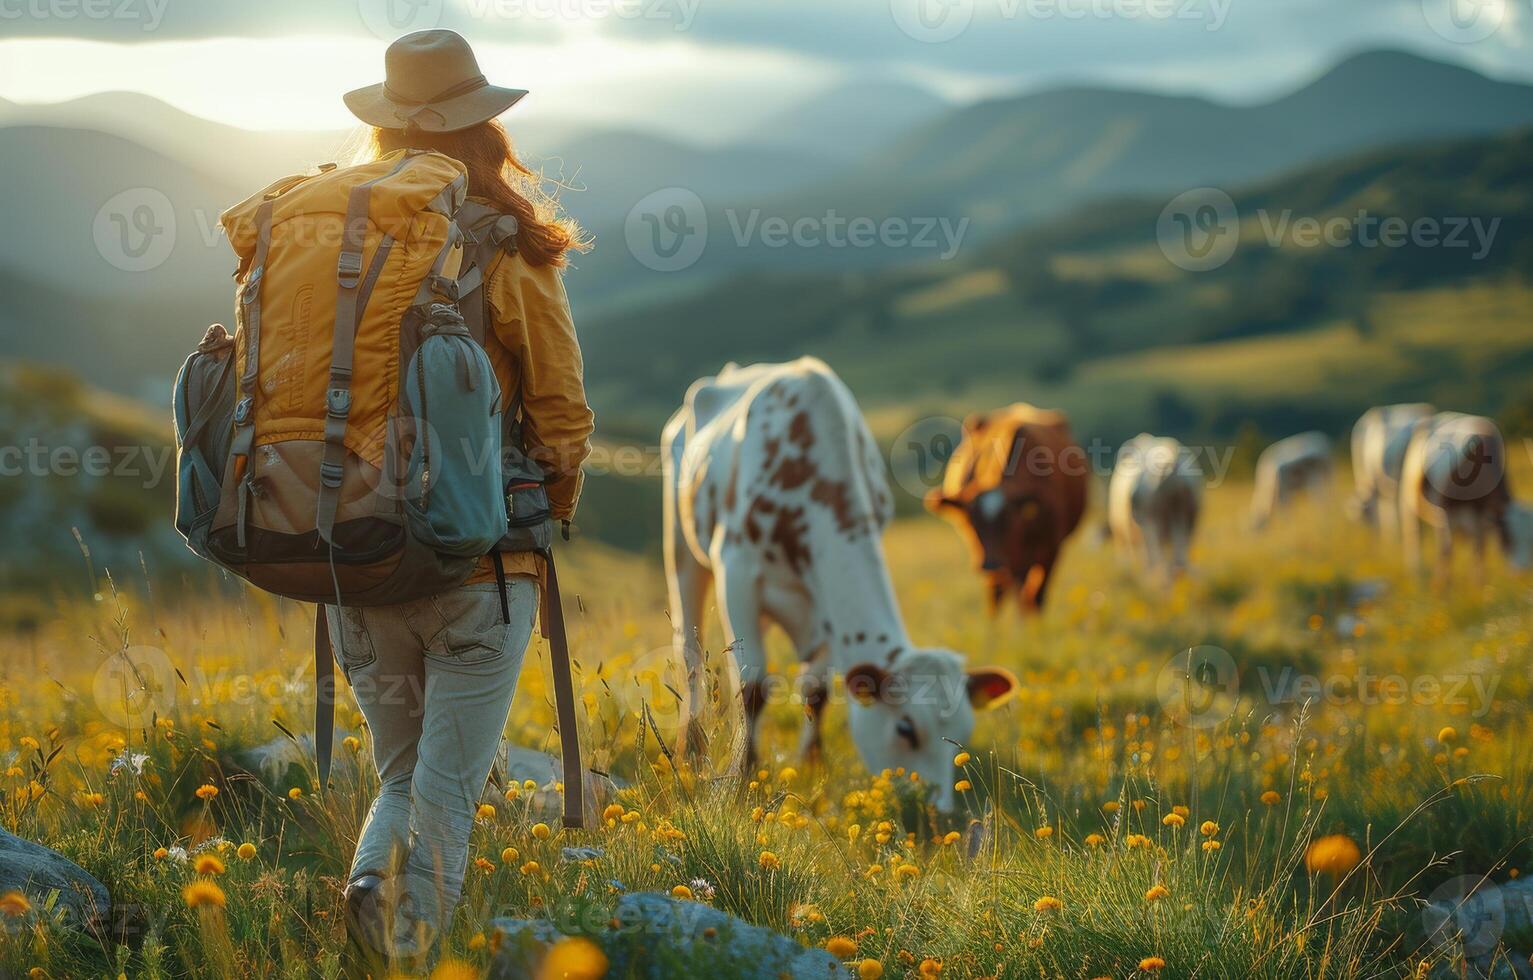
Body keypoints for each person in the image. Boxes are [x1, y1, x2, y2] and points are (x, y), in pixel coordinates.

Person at [331, 28, 594, 970]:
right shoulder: (508, 248)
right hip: (480, 560)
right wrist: (547, 509)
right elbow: (560, 410)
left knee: (403, 773)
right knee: (445, 788)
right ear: (487, 131)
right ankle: (401, 948)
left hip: (354, 557)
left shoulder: (334, 246)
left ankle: (370, 906)